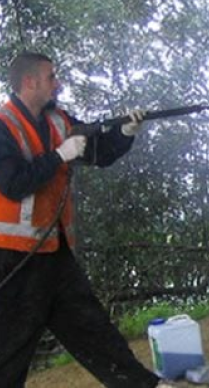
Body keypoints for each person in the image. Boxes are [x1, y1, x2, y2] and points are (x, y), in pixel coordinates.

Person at [0, 52, 181, 388]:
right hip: (14, 258)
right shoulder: (4, 124)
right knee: (10, 348)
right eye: (51, 77)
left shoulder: (59, 120)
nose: (58, 83)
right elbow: (13, 184)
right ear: (29, 82)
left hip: (54, 253)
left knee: (92, 329)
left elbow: (97, 151)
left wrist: (124, 132)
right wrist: (59, 156)